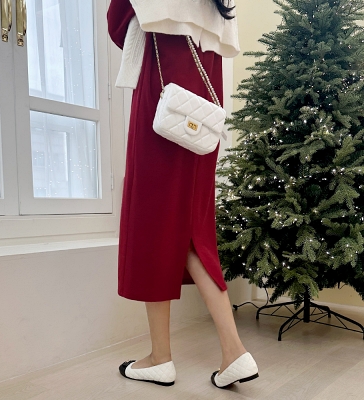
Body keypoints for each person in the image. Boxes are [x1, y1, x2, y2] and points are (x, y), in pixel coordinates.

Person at [107, 0, 259, 389]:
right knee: (192, 228)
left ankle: (160, 357)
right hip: (204, 104)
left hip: (164, 95)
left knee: (153, 222)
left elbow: (118, 21)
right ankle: (233, 351)